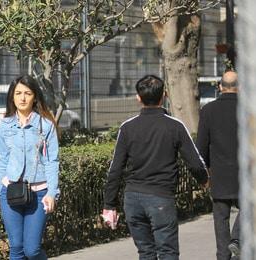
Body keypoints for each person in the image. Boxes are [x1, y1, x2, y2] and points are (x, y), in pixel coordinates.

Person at [102, 75, 209, 260]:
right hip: (161, 198)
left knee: (145, 253)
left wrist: (109, 204)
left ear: (138, 97)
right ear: (164, 95)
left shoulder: (127, 128)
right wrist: (204, 181)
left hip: (132, 199)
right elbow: (194, 162)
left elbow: (115, 168)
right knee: (168, 252)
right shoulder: (174, 126)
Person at [0, 75, 59, 259]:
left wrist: (52, 193)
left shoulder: (46, 125)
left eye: (27, 93)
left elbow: (52, 161)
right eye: (18, 93)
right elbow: (2, 162)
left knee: (32, 251)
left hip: (39, 194)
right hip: (11, 192)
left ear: (35, 97)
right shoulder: (6, 125)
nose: (22, 98)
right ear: (12, 97)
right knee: (16, 247)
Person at [196, 71, 240, 259]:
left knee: (220, 218)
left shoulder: (208, 111)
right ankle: (237, 239)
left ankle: (223, 254)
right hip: (246, 174)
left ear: (220, 87)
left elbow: (201, 146)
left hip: (219, 175)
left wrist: (203, 174)